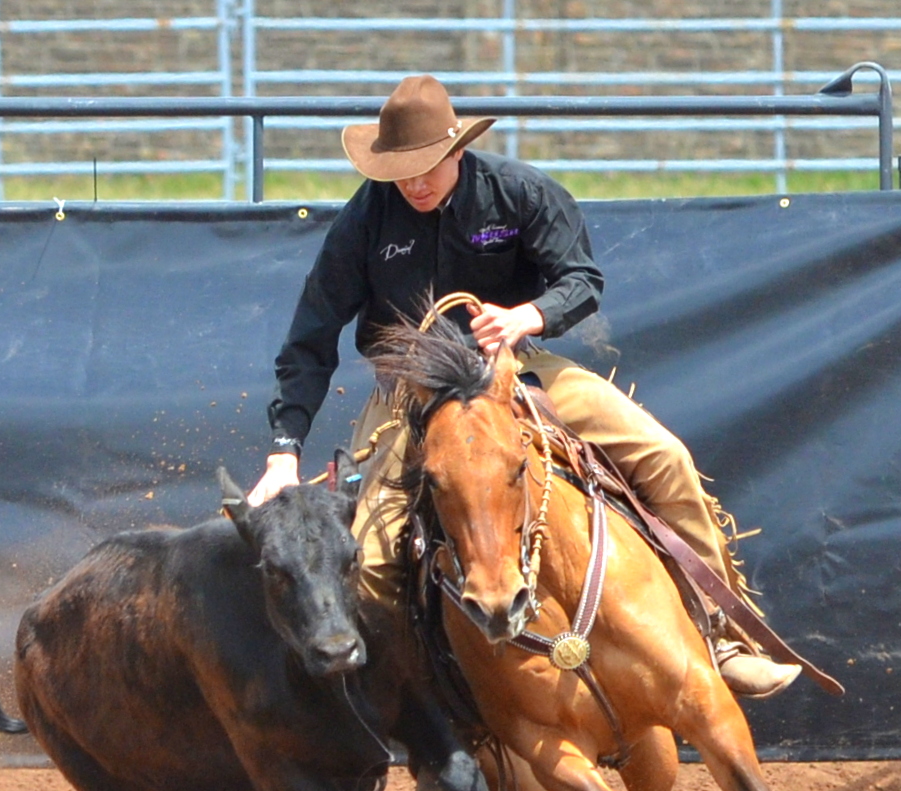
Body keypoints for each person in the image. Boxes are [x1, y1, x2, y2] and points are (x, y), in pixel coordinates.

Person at [245, 74, 801, 702]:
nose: (414, 182)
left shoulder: (518, 193)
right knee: (370, 554)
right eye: (399, 170)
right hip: (411, 393)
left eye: (426, 165)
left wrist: (526, 316)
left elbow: (581, 279)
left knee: (665, 458)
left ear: (458, 149)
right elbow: (310, 337)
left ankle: (718, 637)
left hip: (517, 369)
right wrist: (284, 448)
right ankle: (432, 713)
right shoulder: (365, 219)